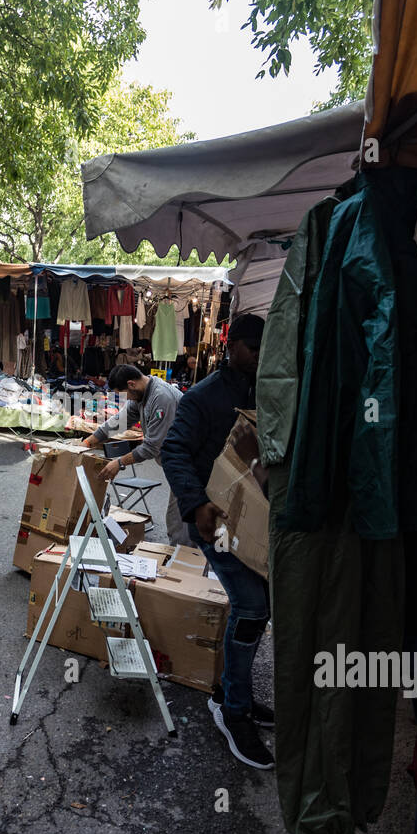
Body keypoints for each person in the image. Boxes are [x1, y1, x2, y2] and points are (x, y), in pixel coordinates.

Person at [160, 314, 273, 769]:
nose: (258, 355)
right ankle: (233, 711)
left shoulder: (268, 389)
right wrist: (196, 504)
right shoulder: (203, 396)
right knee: (252, 606)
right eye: (250, 347)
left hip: (258, 522)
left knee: (256, 605)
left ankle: (231, 691)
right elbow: (173, 450)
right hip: (217, 523)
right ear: (231, 347)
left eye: (263, 348)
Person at [81, 364, 186, 545]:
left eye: (125, 394)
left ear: (131, 384)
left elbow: (152, 447)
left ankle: (183, 566)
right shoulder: (141, 396)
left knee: (179, 523)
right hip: (176, 462)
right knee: (182, 519)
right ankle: (188, 560)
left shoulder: (161, 398)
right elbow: (120, 421)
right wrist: (88, 441)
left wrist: (119, 463)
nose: (127, 399)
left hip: (190, 462)